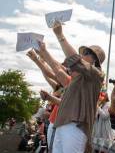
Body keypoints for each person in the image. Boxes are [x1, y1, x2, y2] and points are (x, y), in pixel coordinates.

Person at [38, 21, 105, 153]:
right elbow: (58, 69)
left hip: (76, 125)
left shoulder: (97, 75)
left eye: (86, 52)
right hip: (61, 124)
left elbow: (74, 59)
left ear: (94, 60)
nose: (82, 54)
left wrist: (60, 35)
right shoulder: (77, 79)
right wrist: (43, 52)